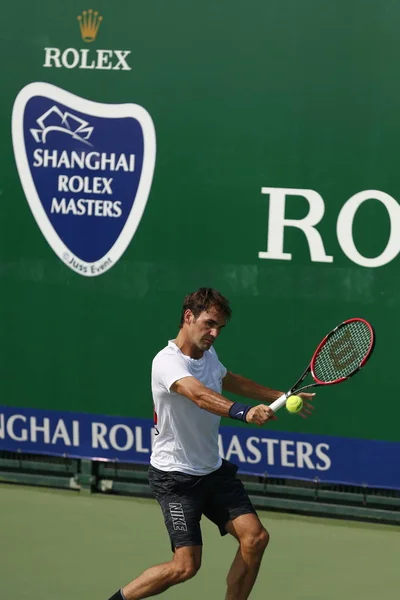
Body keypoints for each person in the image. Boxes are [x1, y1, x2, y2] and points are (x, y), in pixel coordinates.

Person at [107, 288, 314, 600]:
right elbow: (200, 395)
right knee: (185, 566)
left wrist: (278, 396)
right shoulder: (166, 362)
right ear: (189, 317)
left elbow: (227, 379)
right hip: (175, 478)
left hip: (212, 472)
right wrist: (244, 413)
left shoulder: (208, 355)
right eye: (209, 324)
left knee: (255, 538)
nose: (215, 333)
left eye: (220, 327)